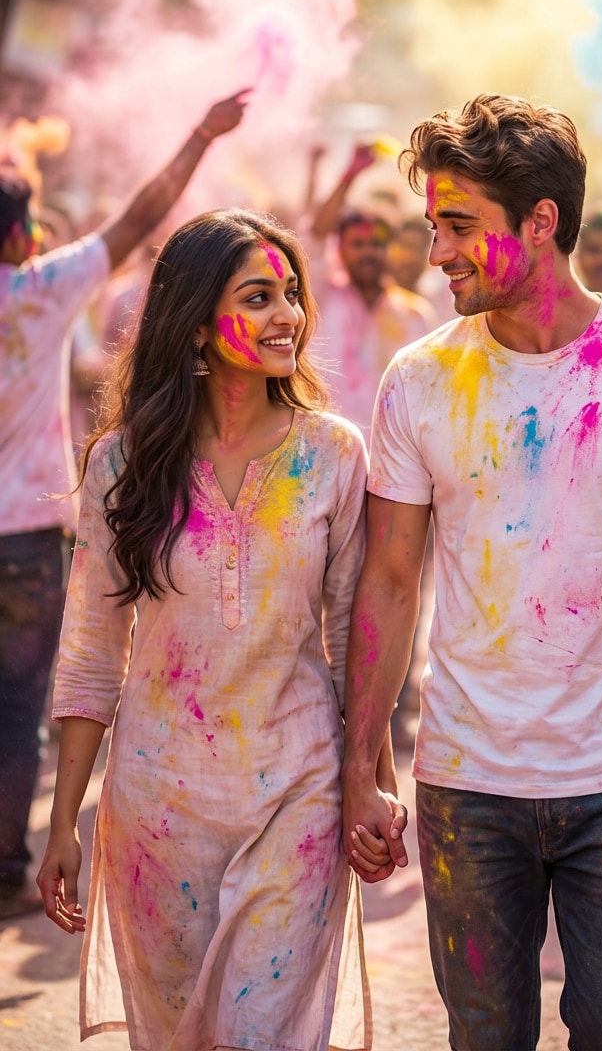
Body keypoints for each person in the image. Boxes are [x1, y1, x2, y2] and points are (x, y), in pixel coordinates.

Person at [341, 93, 602, 1051]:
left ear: (540, 222)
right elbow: (390, 582)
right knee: (482, 1039)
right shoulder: (417, 379)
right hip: (465, 786)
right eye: (435, 225)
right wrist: (367, 764)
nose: (435, 249)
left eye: (458, 225)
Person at [36, 208, 397, 1050]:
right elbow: (92, 653)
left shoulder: (335, 457)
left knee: (255, 1034)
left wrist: (368, 781)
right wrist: (63, 822)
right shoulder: (122, 465)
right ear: (197, 321)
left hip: (296, 793)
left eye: (292, 295)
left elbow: (355, 637)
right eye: (259, 296)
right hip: (158, 810)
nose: (288, 316)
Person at [0, 90, 248, 921]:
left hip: (35, 534)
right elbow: (144, 214)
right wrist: (199, 134)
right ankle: (5, 862)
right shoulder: (42, 287)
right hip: (29, 537)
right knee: (20, 708)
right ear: (19, 234)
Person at [309, 144, 437, 434]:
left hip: (393, 459)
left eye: (377, 244)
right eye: (357, 244)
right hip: (327, 452)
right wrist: (349, 175)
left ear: (392, 247)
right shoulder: (322, 298)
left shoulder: (415, 314)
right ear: (339, 249)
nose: (368, 253)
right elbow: (314, 237)